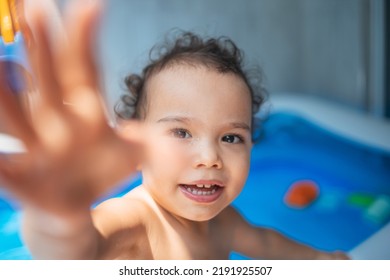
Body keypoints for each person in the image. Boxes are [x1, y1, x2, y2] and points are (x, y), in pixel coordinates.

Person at [0, 0, 348, 260]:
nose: (210, 158)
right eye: (181, 132)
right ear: (137, 150)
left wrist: (326, 261)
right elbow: (75, 253)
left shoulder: (225, 223)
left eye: (230, 137)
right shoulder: (138, 221)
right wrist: (60, 216)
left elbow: (268, 244)